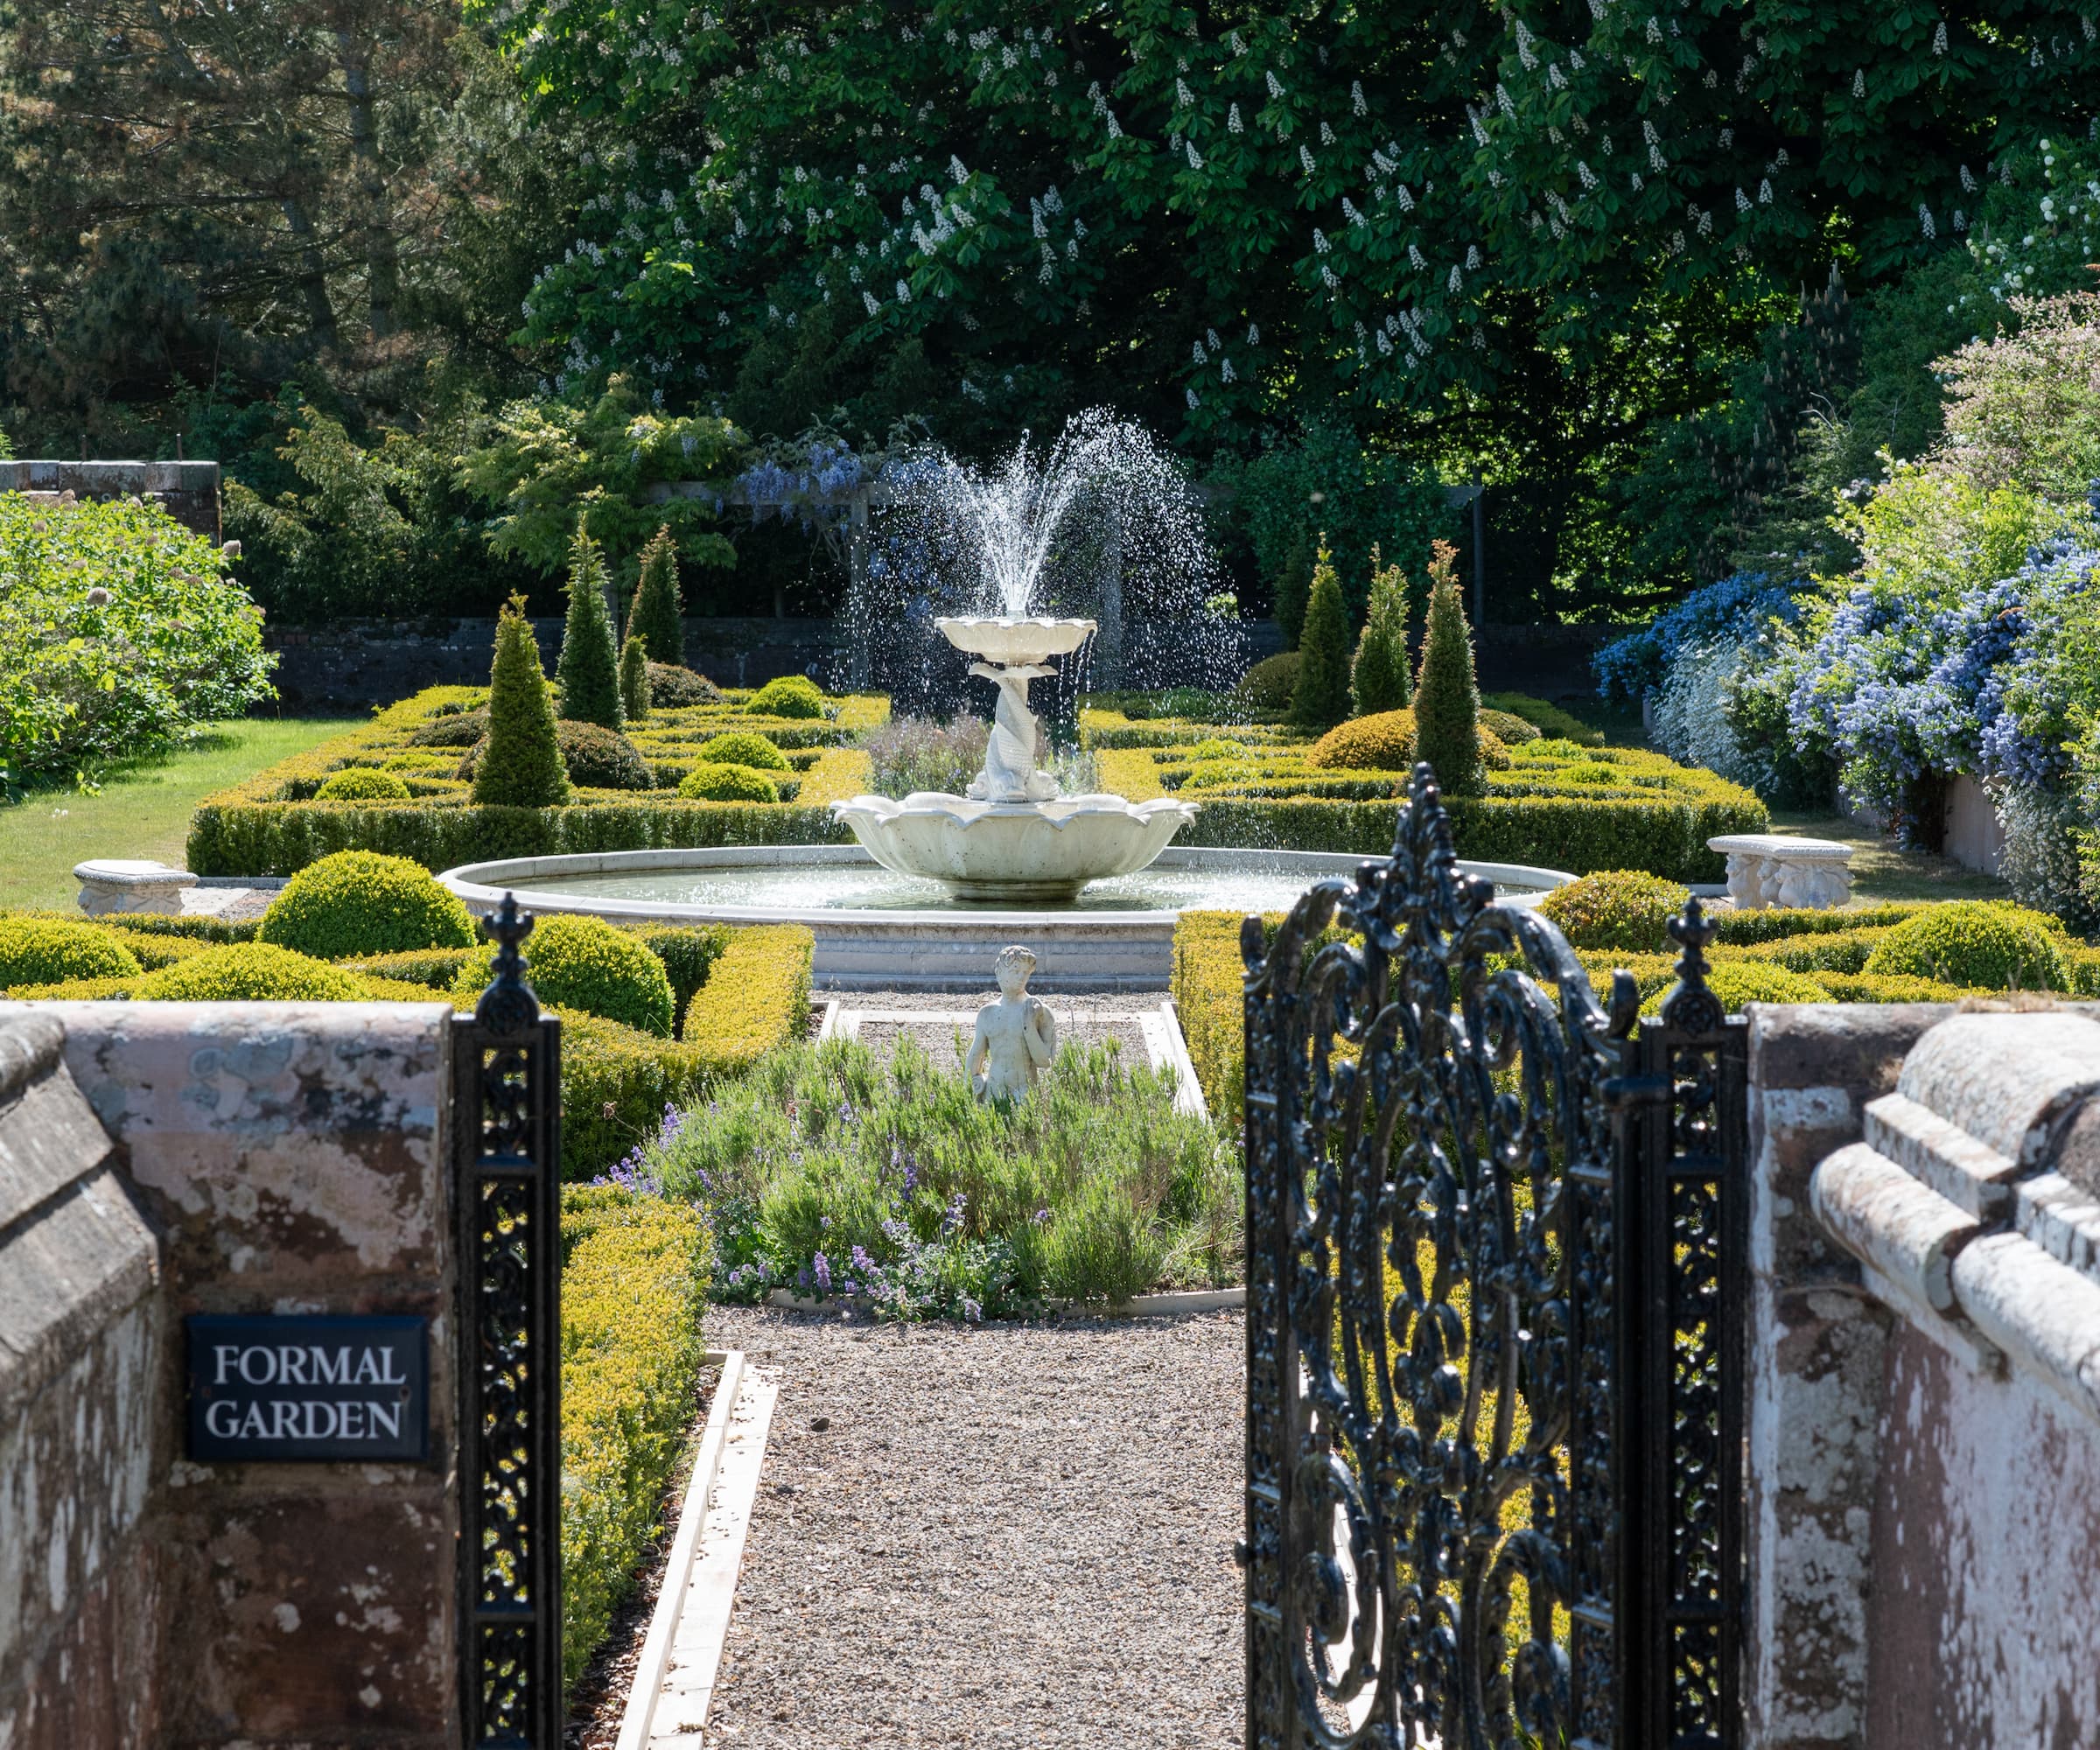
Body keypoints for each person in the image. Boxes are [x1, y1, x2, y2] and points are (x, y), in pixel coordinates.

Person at [965, 944, 1057, 1103]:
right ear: (999, 973)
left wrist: (1029, 1025)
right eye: (1015, 971)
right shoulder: (987, 1013)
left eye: (1025, 973)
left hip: (1024, 1091)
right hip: (993, 1088)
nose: (1021, 977)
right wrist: (972, 1081)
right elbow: (976, 1053)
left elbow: (1044, 1061)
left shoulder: (1039, 1011)